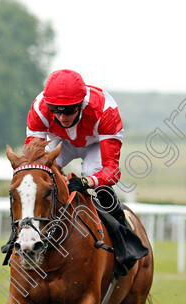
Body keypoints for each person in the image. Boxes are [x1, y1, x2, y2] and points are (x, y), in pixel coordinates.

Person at [23, 69, 148, 276]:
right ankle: (20, 237)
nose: (62, 117)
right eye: (56, 110)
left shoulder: (105, 110)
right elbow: (31, 159)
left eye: (69, 111)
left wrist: (87, 182)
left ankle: (123, 239)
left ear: (81, 105)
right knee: (37, 176)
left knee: (94, 175)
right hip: (60, 143)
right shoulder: (39, 108)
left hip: (95, 144)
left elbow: (111, 171)